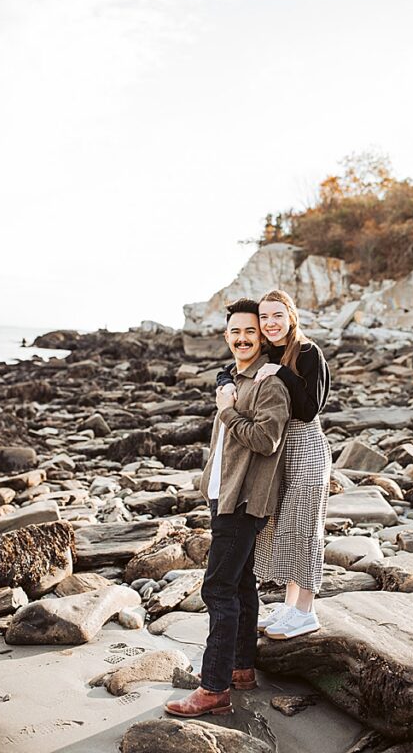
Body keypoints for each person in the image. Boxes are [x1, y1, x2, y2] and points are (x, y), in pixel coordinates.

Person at [164, 298, 291, 718]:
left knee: (217, 590)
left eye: (250, 332)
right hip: (225, 495)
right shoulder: (234, 379)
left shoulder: (269, 383)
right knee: (240, 585)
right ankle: (240, 669)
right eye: (235, 332)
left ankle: (213, 688)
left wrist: (228, 412)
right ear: (226, 336)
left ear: (263, 336)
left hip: (243, 502)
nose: (241, 338)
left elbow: (267, 439)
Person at [218, 289, 331, 640]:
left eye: (276, 316)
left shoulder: (308, 352)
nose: (269, 323)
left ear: (291, 316)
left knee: (306, 528)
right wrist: (225, 385)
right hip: (280, 452)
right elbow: (228, 371)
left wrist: (279, 373)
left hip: (307, 446)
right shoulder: (270, 351)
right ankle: (289, 604)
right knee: (286, 527)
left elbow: (309, 407)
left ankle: (306, 611)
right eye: (264, 317)